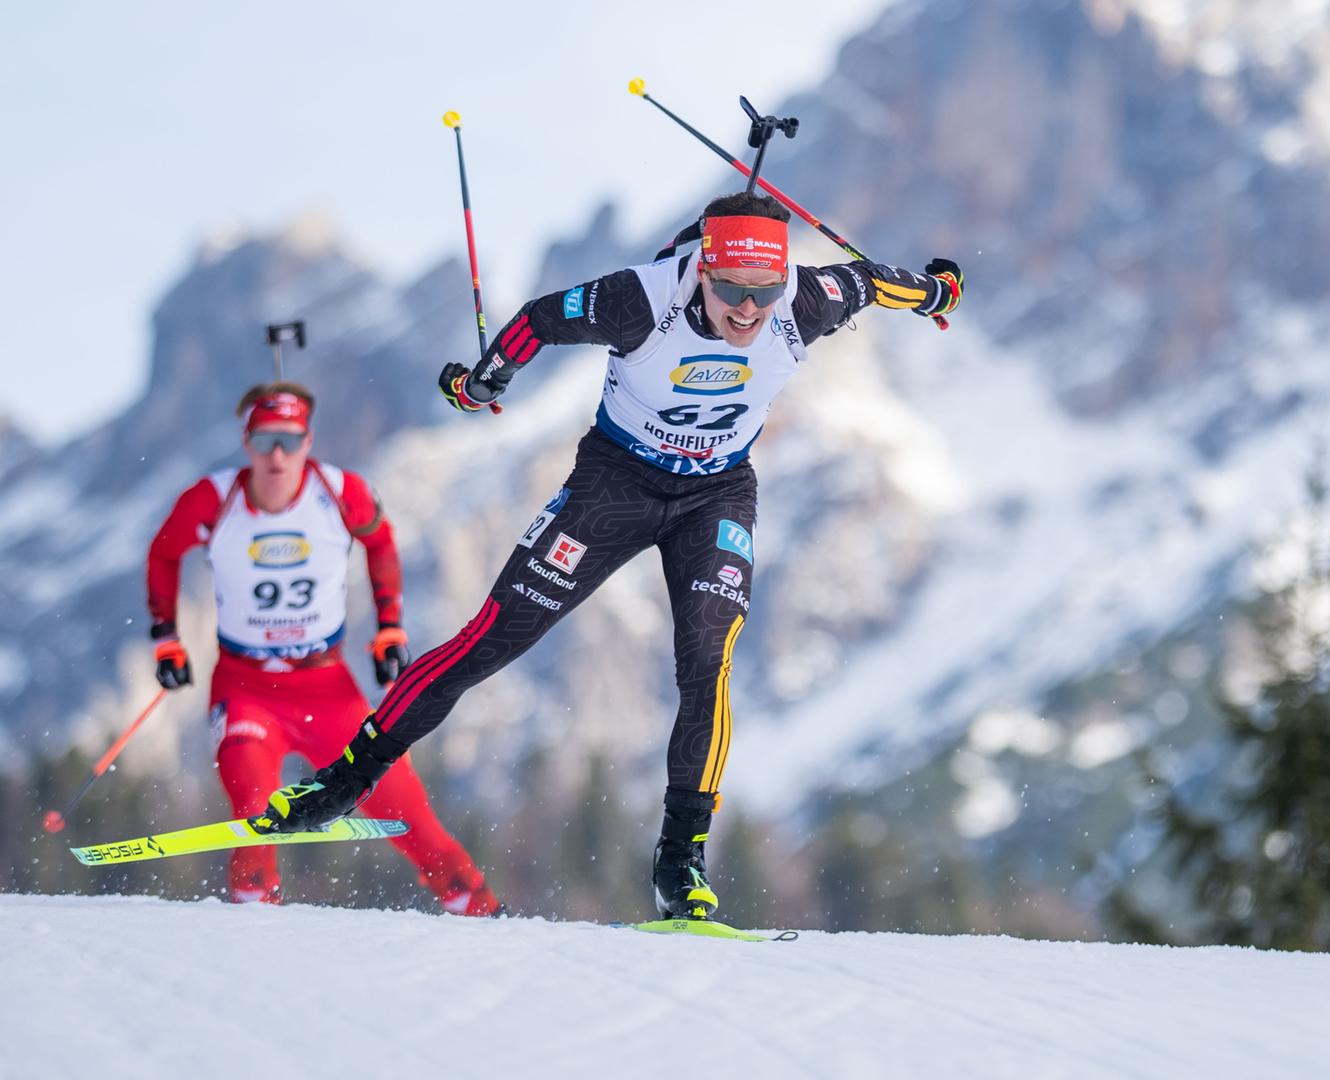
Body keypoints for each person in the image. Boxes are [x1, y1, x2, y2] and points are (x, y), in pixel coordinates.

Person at [250, 192, 962, 920]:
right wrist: (480, 381)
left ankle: (679, 861)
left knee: (707, 662)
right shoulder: (636, 300)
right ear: (701, 271)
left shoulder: (809, 298)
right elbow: (535, 321)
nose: (748, 311)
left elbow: (874, 281)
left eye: (763, 293)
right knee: (490, 640)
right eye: (729, 292)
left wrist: (939, 291)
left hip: (715, 496)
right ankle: (339, 784)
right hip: (614, 485)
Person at [145, 382, 500, 913]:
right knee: (254, 817)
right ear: (247, 442)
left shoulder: (340, 492)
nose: (278, 455)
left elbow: (381, 543)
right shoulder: (213, 499)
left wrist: (389, 627)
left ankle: (488, 917)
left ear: (308, 440)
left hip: (327, 689)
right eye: (265, 441)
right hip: (246, 689)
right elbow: (163, 552)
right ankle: (253, 937)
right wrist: (165, 636)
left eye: (290, 440)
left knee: (413, 821)